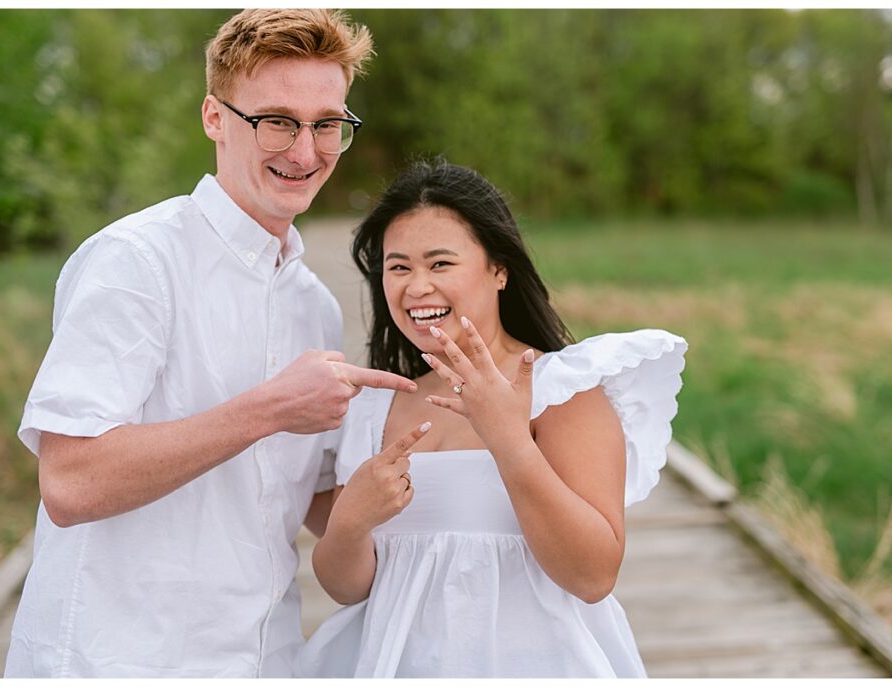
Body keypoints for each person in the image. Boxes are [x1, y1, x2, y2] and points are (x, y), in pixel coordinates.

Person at [4, 9, 418, 678]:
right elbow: (70, 481)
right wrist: (271, 408)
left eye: (326, 124)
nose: (305, 152)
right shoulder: (137, 261)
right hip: (119, 662)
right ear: (214, 118)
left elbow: (314, 498)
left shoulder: (312, 302)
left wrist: (476, 454)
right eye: (277, 121)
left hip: (264, 659)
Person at [295, 158, 688, 678]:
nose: (417, 287)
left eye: (440, 264)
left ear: (499, 270)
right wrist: (349, 523)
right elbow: (349, 589)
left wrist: (510, 441)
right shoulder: (375, 407)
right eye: (399, 267)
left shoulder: (560, 389)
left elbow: (593, 576)